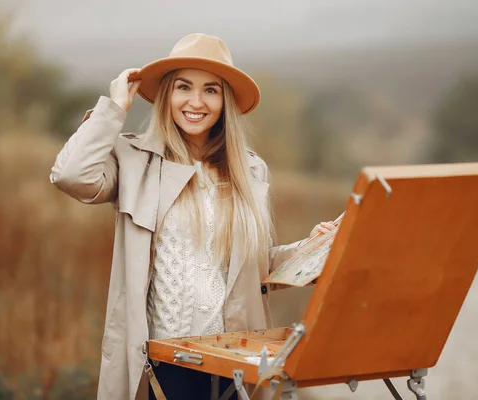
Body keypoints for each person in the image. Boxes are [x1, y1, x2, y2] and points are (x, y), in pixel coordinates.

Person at [50, 33, 336, 400]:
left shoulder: (250, 170)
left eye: (211, 90)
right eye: (184, 87)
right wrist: (114, 109)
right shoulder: (134, 159)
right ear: (167, 94)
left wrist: (313, 250)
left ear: (225, 101)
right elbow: (71, 175)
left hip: (233, 361)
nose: (196, 102)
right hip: (161, 365)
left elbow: (255, 267)